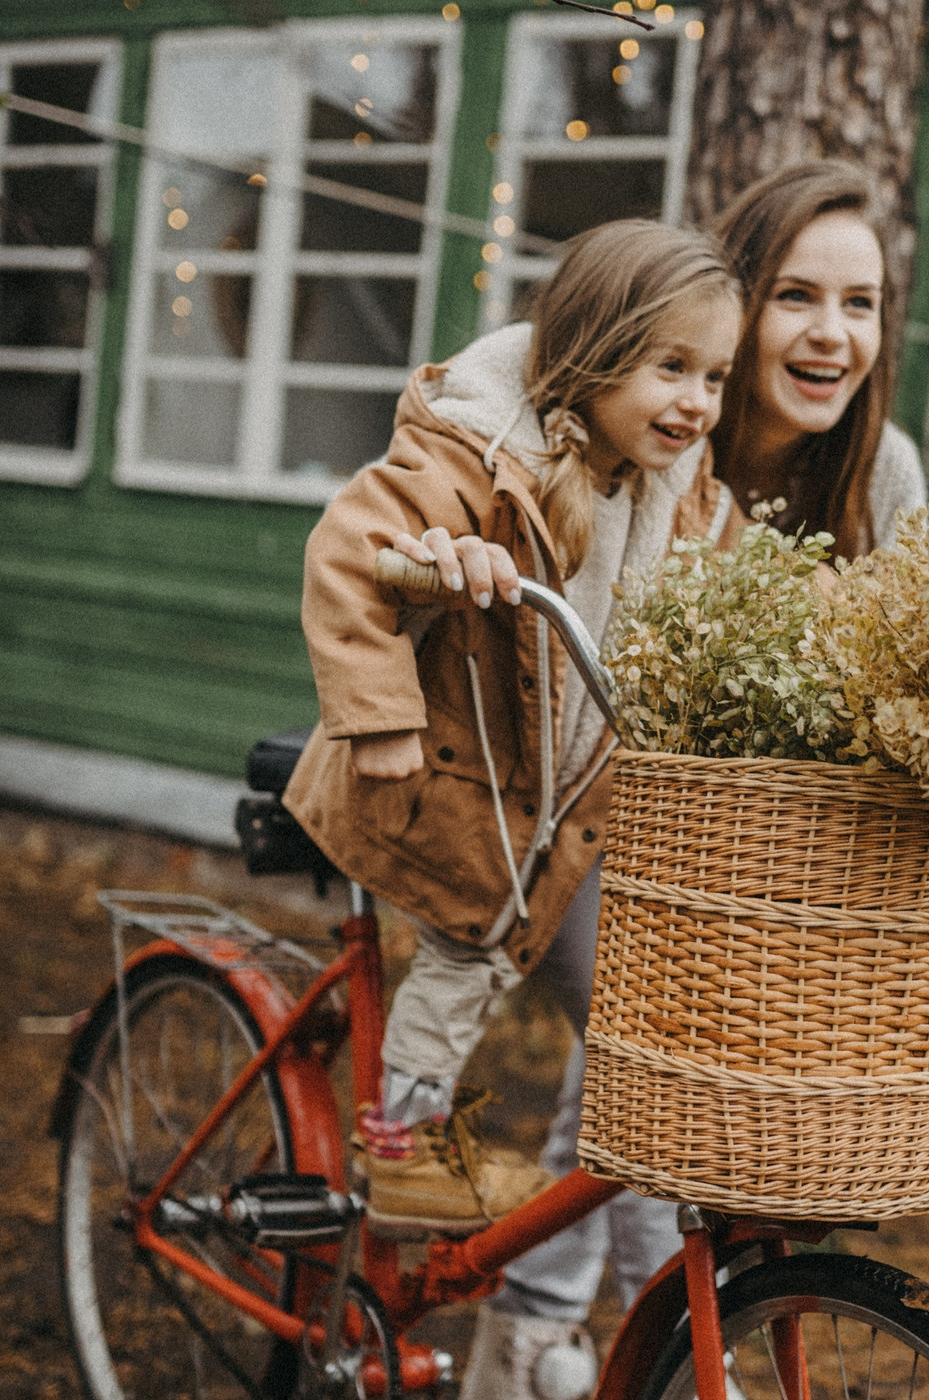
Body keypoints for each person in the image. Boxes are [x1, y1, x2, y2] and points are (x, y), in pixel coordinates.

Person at [459, 162, 929, 1400]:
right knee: (648, 1046)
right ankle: (550, 1349)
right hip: (564, 801)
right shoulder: (649, 419)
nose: (834, 335)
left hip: (743, 856)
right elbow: (498, 396)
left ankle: (573, 1341)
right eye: (797, 297)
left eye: (863, 304)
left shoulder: (883, 480)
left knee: (661, 1070)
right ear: (733, 303)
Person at [282, 219, 744, 1238]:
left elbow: (732, 578)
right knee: (465, 951)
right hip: (449, 775)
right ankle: (398, 1154)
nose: (697, 401)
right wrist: (381, 707)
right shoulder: (481, 453)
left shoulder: (680, 488)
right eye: (672, 366)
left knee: (600, 983)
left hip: (560, 803)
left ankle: (627, 1203)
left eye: (714, 376)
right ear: (595, 349)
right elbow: (353, 552)